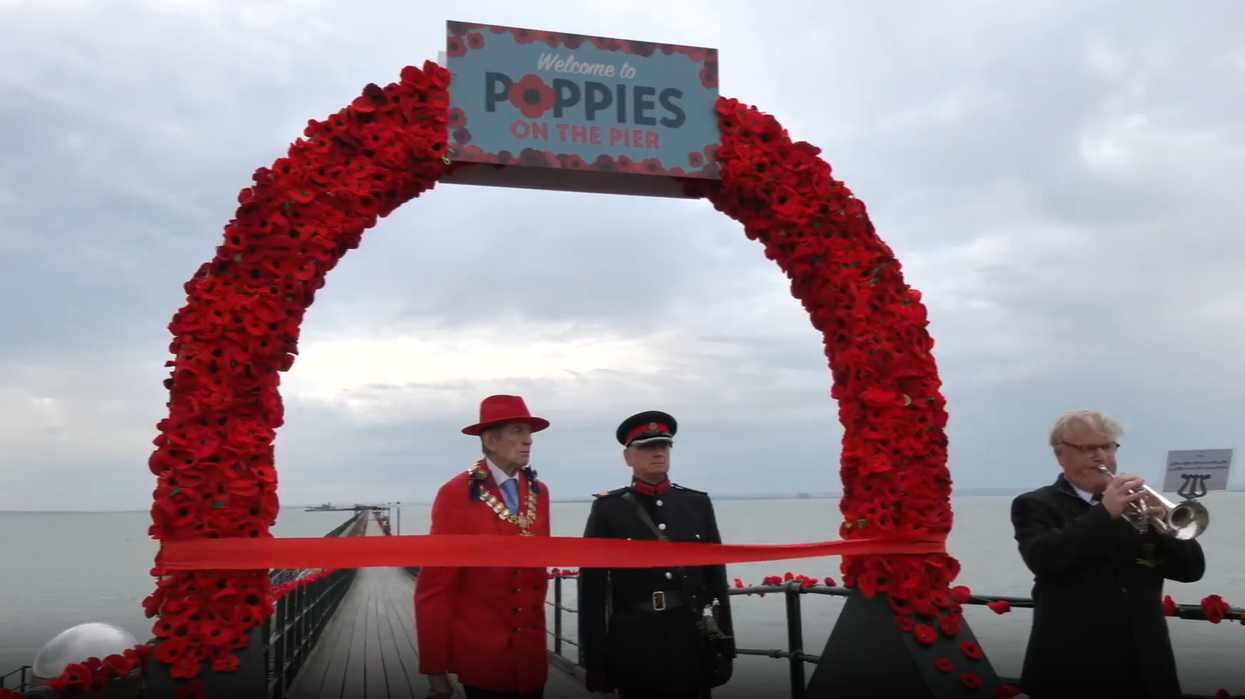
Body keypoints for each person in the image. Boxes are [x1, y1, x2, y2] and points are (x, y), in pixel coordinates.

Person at [1011, 409, 1205, 699]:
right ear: (1060, 455)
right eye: (1088, 449)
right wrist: (1104, 513)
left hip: (1146, 666)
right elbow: (1044, 559)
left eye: (1108, 447)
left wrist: (1166, 526)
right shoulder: (1034, 505)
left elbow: (1191, 572)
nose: (1101, 457)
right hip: (1072, 666)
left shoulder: (1137, 505)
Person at [578, 410, 735, 699]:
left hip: (690, 638)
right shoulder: (608, 509)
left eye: (664, 446)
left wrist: (726, 649)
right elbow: (592, 591)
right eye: (647, 447)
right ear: (628, 457)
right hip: (634, 641)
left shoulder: (696, 504)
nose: (658, 453)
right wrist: (594, 660)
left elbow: (716, 579)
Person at [414, 395, 552, 699]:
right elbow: (436, 585)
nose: (529, 440)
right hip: (482, 652)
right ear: (491, 441)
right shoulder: (456, 493)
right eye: (518, 431)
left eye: (529, 432)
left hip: (531, 654)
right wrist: (435, 669)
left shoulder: (539, 492)